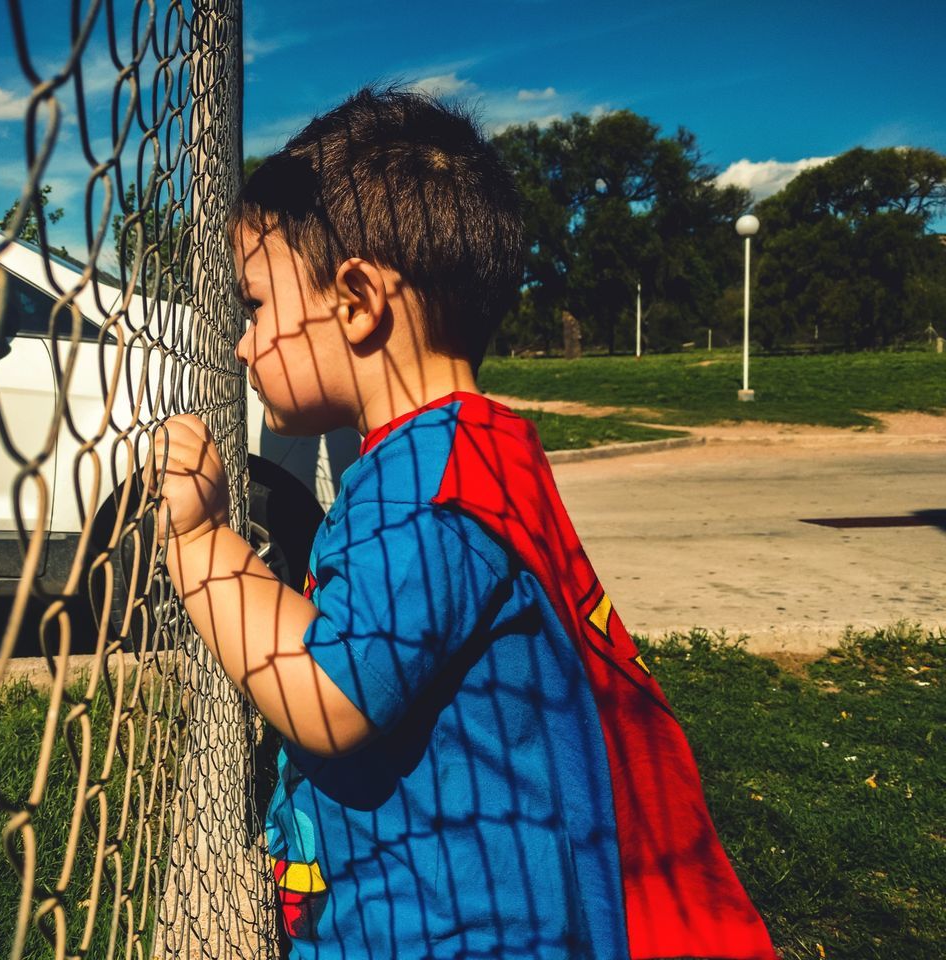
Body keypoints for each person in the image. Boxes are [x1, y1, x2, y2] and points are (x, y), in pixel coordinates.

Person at [150, 85, 777, 959]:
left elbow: (330, 697)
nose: (242, 343)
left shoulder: (425, 483)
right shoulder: (480, 452)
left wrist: (200, 542)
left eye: (255, 307)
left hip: (447, 930)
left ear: (357, 301)